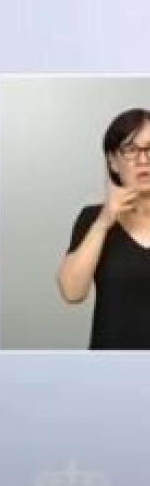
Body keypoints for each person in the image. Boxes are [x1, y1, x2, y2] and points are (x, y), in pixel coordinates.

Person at [57, 107, 150, 348]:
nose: (143, 160)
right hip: (110, 364)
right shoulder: (92, 218)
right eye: (130, 150)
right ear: (113, 161)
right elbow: (72, 292)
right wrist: (104, 222)